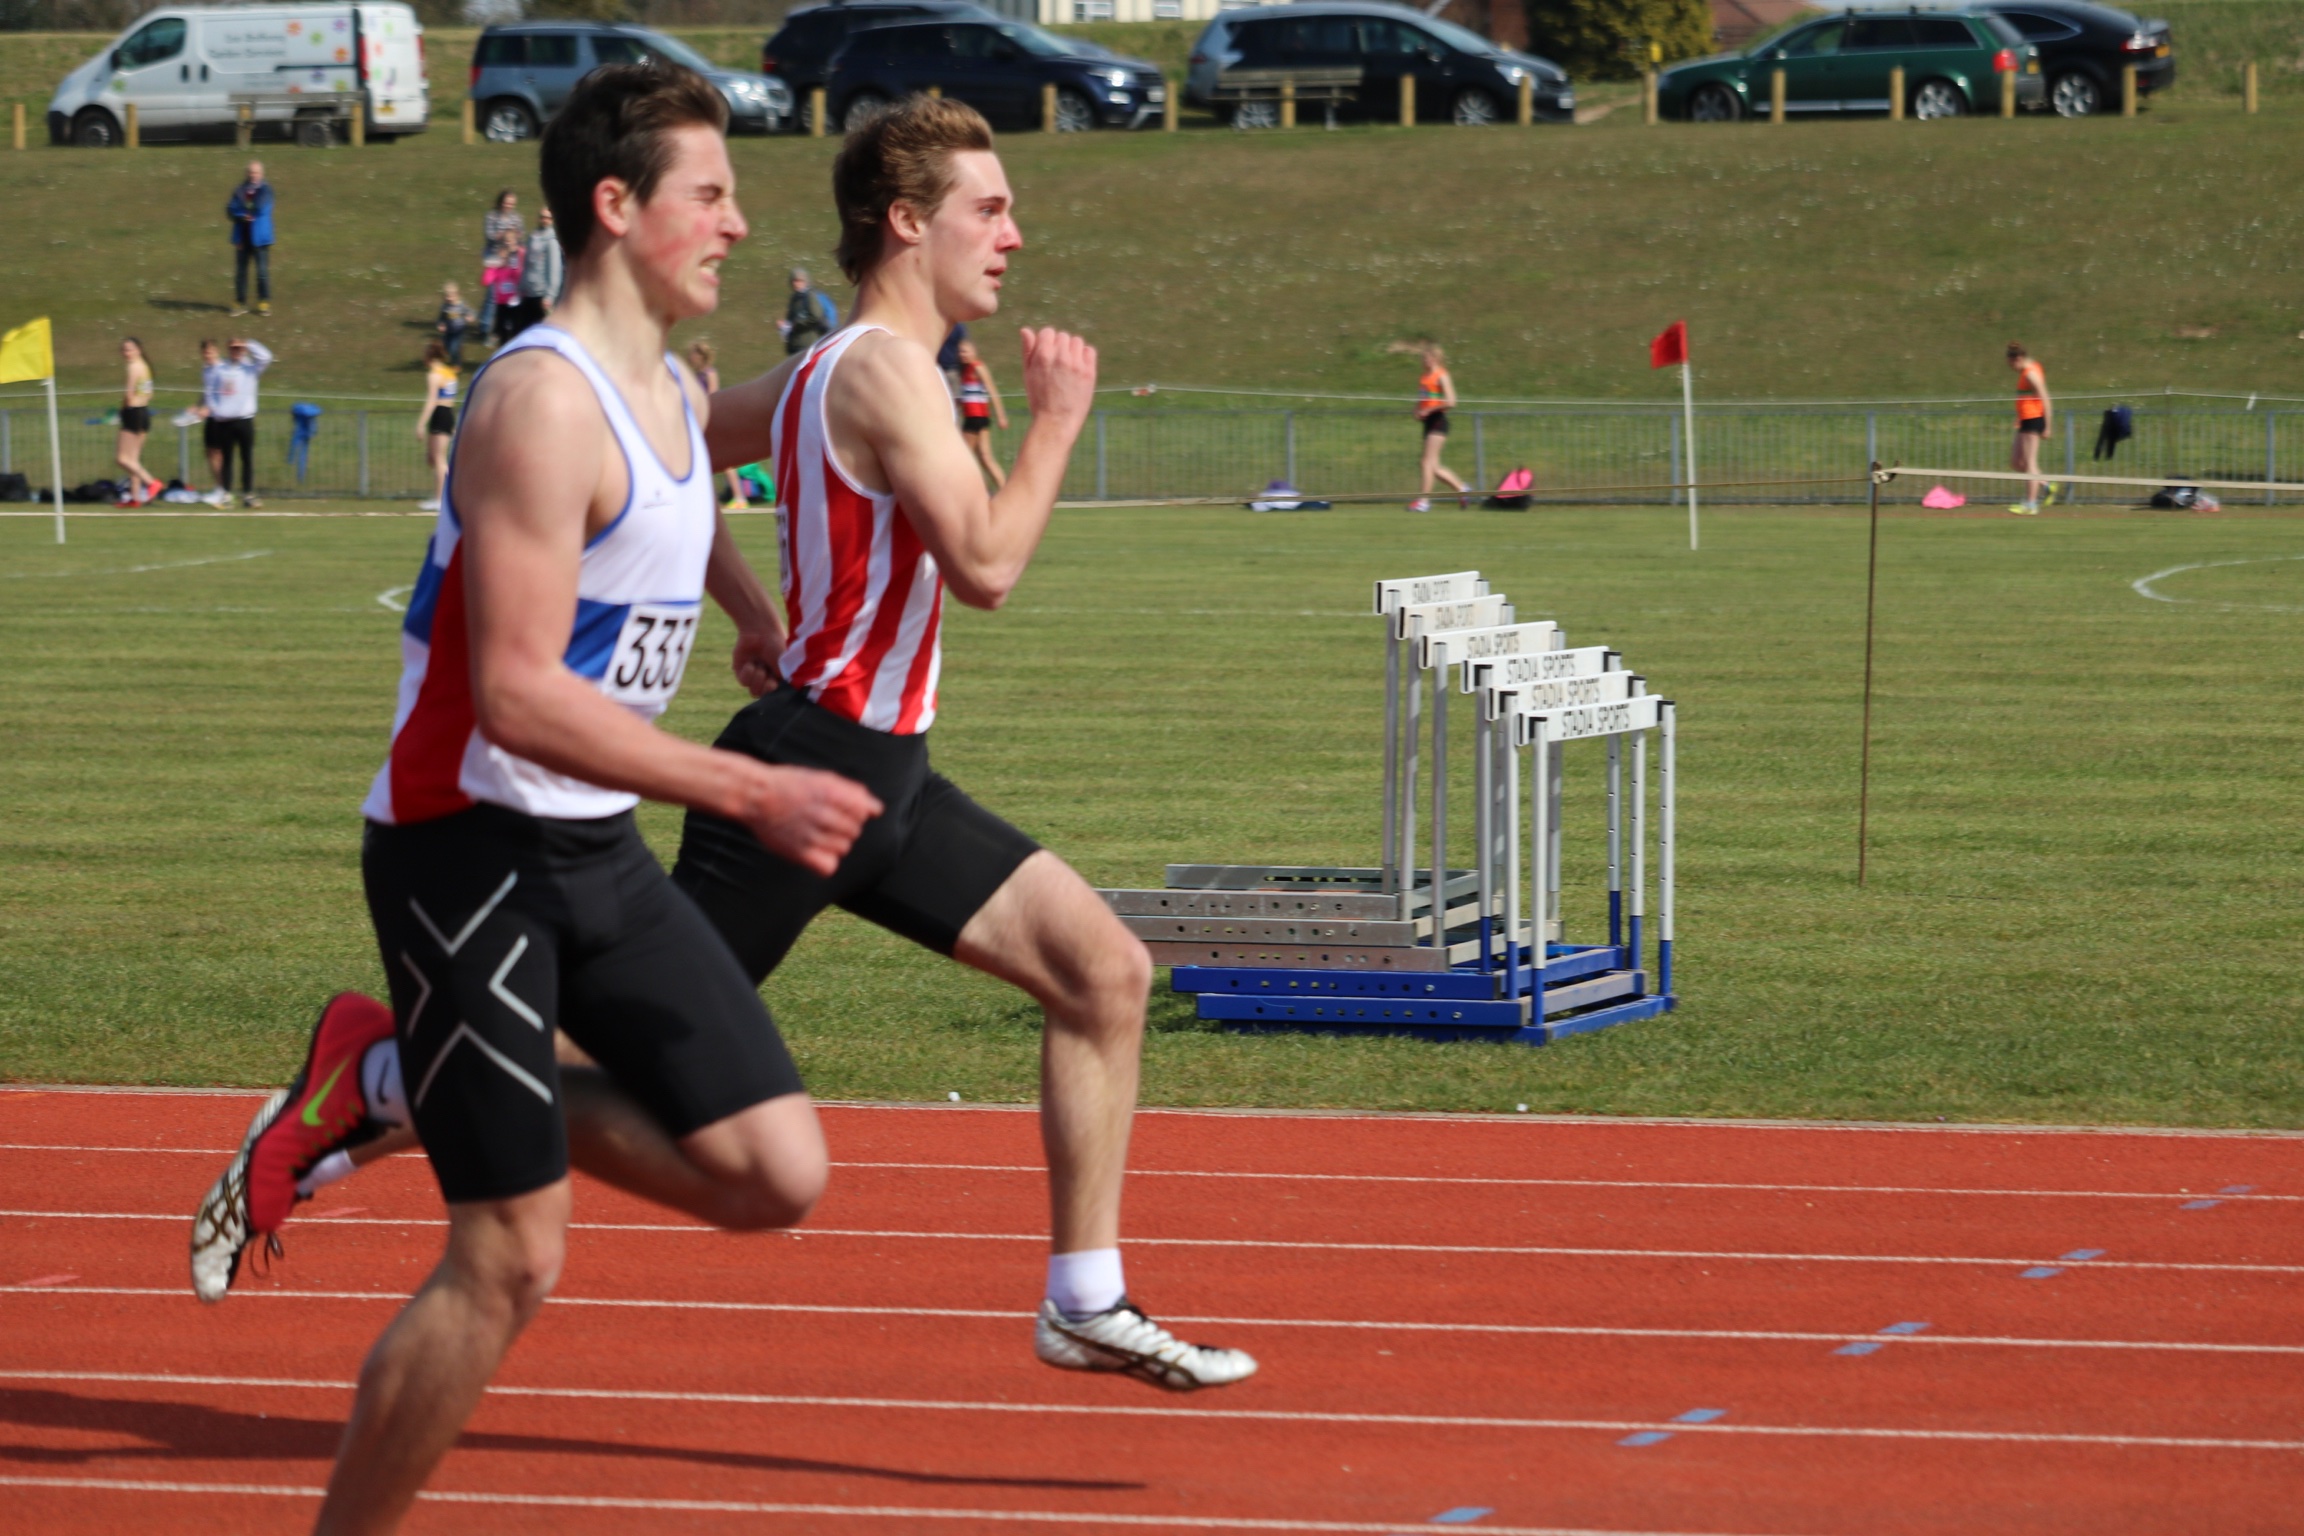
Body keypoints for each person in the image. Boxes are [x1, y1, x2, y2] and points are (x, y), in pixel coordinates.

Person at [196, 93, 1258, 1398]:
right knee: (629, 1069)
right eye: (990, 210)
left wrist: (749, 603)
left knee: (1103, 974)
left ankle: (1085, 1300)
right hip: (811, 772)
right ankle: (381, 1077)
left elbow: (669, 451)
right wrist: (1054, 423)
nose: (1013, 237)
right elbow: (986, 565)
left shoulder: (820, 369)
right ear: (907, 223)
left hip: (889, 778)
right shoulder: (884, 370)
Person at [192, 64, 882, 1536]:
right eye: (711, 194)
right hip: (466, 852)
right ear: (616, 206)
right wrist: (746, 784)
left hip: (593, 847)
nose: (737, 224)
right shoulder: (534, 403)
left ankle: (388, 1079)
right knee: (511, 1257)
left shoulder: (674, 391)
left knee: (775, 1171)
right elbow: (513, 691)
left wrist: (751, 611)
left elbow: (670, 514)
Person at [196, 335, 271, 508]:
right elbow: (211, 392)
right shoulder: (220, 369)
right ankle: (226, 494)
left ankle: (248, 494)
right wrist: (215, 411)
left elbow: (266, 357)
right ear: (228, 350)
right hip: (225, 421)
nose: (236, 351)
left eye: (239, 348)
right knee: (227, 459)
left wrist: (249, 344)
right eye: (233, 348)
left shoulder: (250, 368)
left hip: (244, 420)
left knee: (247, 458)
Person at [1394, 340, 1467, 512]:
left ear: (1435, 358)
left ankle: (1424, 501)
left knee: (1426, 462)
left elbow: (1451, 401)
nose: (1423, 361)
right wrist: (1417, 410)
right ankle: (1462, 489)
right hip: (1428, 422)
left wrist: (1429, 410)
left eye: (1425, 357)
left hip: (1438, 420)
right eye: (1422, 358)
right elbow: (1422, 399)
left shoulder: (1442, 375)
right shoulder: (1424, 377)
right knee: (1433, 467)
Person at [686, 340, 750, 508]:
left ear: (700, 356)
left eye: (693, 354)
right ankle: (707, 497)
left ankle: (739, 497)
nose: (690, 357)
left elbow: (713, 396)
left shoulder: (709, 373)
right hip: (699, 420)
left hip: (709, 418)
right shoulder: (697, 375)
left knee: (723, 459)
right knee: (703, 459)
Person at [2007, 341, 2055, 515]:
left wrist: (2048, 426)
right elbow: (2026, 399)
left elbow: (2045, 399)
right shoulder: (2025, 371)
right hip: (2025, 420)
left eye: (2011, 364)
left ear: (2018, 359)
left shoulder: (2031, 373)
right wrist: (2019, 417)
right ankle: (2046, 485)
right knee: (2016, 462)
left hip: (2034, 420)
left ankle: (2031, 504)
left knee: (2029, 463)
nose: (2011, 368)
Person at [954, 336, 1008, 488]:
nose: (962, 354)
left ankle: (977, 490)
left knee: (965, 456)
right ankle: (1003, 489)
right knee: (985, 458)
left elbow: (992, 391)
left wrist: (1001, 416)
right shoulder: (965, 370)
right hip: (973, 416)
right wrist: (957, 403)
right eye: (960, 352)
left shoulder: (978, 367)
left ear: (974, 351)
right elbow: (970, 395)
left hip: (976, 417)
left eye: (965, 351)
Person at [114, 337, 163, 506]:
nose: (126, 353)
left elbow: (128, 395)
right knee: (133, 460)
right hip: (144, 412)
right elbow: (149, 394)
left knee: (122, 459)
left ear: (138, 350)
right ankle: (135, 498)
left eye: (130, 349)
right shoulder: (145, 367)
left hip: (133, 413)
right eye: (124, 350)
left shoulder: (133, 367)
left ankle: (151, 482)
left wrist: (122, 410)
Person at [226, 160, 275, 318]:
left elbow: (260, 207)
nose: (253, 175)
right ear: (247, 173)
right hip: (242, 237)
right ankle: (240, 303)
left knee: (262, 272)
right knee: (241, 273)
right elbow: (230, 209)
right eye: (251, 172)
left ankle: (263, 302)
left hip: (260, 238)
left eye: (256, 172)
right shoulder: (239, 190)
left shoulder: (266, 190)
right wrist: (241, 215)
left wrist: (243, 209)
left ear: (261, 174)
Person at [416, 339, 457, 512]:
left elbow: (432, 400)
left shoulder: (433, 374)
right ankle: (440, 496)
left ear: (428, 356)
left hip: (440, 413)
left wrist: (420, 424)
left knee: (439, 459)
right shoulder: (449, 372)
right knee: (432, 458)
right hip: (448, 413)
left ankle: (441, 500)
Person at [511, 207, 565, 337]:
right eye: (542, 217)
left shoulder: (551, 242)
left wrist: (550, 296)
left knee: (539, 333)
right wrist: (521, 286)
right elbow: (526, 264)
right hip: (528, 292)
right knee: (522, 330)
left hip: (541, 295)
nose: (544, 220)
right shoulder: (532, 237)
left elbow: (554, 269)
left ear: (552, 220)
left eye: (548, 218)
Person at [479, 189, 524, 340]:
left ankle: (502, 325)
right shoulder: (491, 216)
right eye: (507, 202)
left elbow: (520, 235)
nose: (509, 206)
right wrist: (507, 234)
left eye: (512, 203)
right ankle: (485, 326)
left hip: (510, 260)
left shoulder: (517, 217)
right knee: (492, 294)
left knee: (505, 294)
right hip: (494, 258)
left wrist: (513, 239)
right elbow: (490, 236)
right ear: (500, 202)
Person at [780, 265, 836, 354]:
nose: (796, 284)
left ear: (806, 281)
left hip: (808, 345)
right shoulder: (794, 298)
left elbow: (816, 316)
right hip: (795, 345)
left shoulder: (810, 296)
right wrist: (785, 325)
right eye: (794, 281)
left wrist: (795, 324)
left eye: (799, 281)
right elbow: (791, 319)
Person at [435, 282, 475, 368]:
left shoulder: (462, 305)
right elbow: (441, 318)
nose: (448, 298)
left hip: (459, 331)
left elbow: (470, 311)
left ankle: (456, 364)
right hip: (448, 331)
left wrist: (470, 316)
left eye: (450, 296)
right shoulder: (445, 306)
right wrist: (441, 324)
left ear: (457, 295)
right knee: (446, 347)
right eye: (446, 296)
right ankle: (455, 357)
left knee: (453, 348)